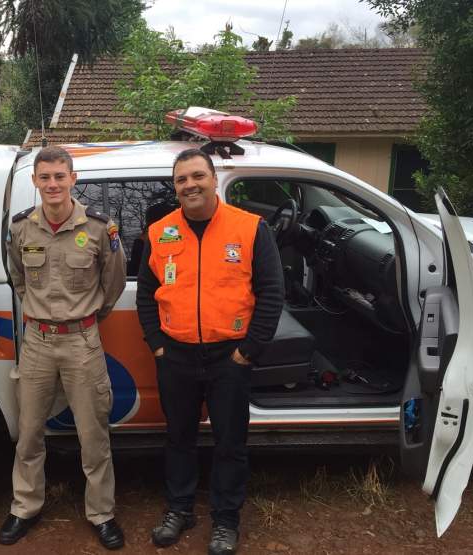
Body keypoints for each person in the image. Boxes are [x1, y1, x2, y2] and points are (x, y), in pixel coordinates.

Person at [136, 149, 283, 554]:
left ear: (214, 179)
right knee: (178, 438)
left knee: (230, 443)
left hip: (229, 357)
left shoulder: (250, 228)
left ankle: (225, 519)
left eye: (198, 176)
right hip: (176, 356)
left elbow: (272, 293)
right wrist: (158, 345)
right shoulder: (160, 232)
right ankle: (179, 509)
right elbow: (147, 294)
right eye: (182, 179)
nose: (190, 185)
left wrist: (248, 351)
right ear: (175, 187)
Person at [1, 146, 127, 550]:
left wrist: (85, 319)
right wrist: (40, 312)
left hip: (82, 342)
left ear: (73, 179)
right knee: (29, 433)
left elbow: (113, 283)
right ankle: (25, 507)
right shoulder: (22, 228)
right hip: (36, 342)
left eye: (60, 176)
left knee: (93, 434)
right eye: (45, 177)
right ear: (35, 181)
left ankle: (102, 513)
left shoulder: (99, 228)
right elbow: (18, 277)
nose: (52, 184)